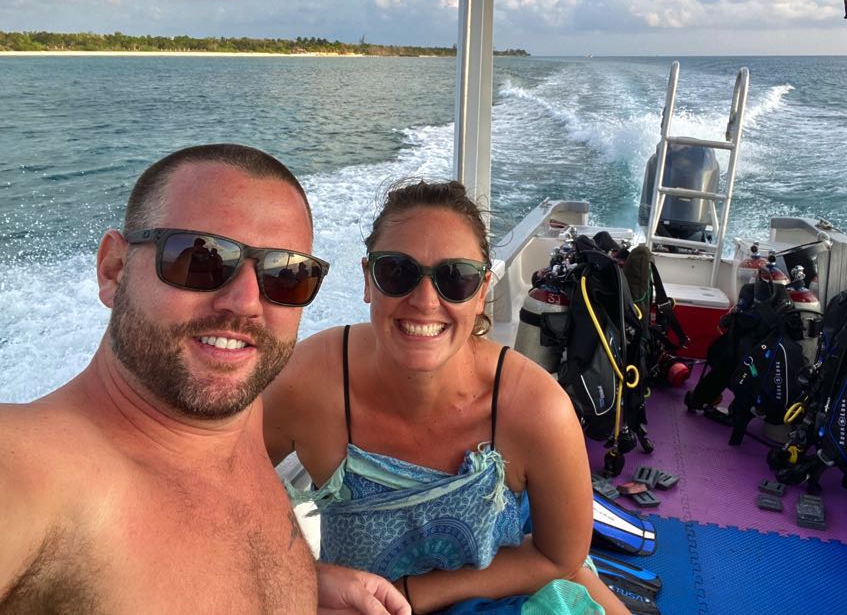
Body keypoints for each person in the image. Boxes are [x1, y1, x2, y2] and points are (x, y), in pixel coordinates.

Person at [0, 144, 409, 615]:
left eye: (285, 274)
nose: (245, 302)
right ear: (114, 269)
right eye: (201, 258)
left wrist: (302, 587)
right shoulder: (40, 476)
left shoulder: (243, 411)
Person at [264, 179, 628, 615]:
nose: (423, 301)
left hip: (500, 593)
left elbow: (559, 558)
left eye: (455, 278)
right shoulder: (307, 384)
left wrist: (410, 594)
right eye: (396, 272)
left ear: (481, 293)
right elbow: (212, 483)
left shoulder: (535, 409)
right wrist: (306, 575)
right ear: (367, 280)